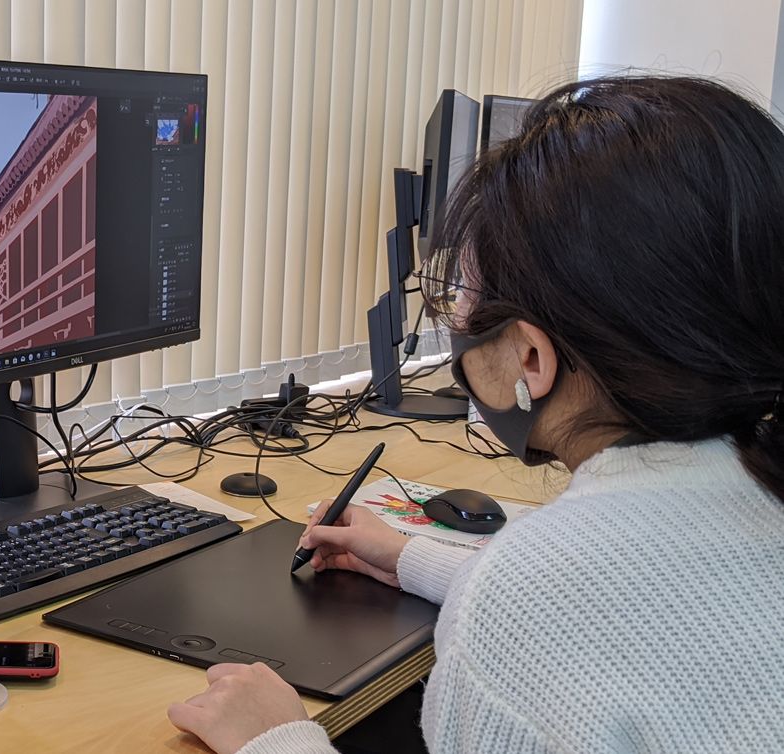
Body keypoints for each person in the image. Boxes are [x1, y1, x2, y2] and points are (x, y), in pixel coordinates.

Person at [167, 74, 784, 753]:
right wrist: (413, 560)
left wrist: (273, 738)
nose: (458, 317)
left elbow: (561, 616)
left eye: (464, 289)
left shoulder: (525, 602)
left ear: (531, 359)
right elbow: (655, 620)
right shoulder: (758, 487)